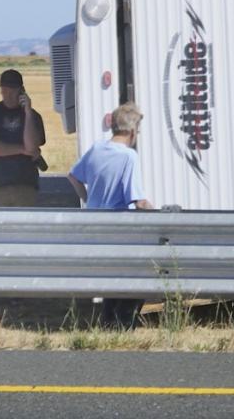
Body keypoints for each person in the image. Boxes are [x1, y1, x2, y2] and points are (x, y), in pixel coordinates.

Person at [67, 102, 153, 329]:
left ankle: (108, 323)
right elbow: (138, 199)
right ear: (132, 131)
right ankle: (124, 324)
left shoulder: (96, 149)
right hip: (121, 230)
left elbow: (73, 176)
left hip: (98, 229)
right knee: (137, 279)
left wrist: (88, 200)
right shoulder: (128, 156)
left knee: (112, 278)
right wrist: (159, 215)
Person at [0, 69, 46, 206]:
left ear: (21, 91)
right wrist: (21, 149)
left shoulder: (34, 117)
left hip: (26, 186)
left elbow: (32, 147)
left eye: (12, 90)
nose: (7, 95)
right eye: (4, 90)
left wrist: (28, 112)